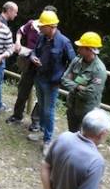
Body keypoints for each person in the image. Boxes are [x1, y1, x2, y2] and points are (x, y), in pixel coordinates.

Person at [27, 10, 75, 155]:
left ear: (51, 26)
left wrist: (63, 78)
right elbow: (34, 51)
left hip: (52, 82)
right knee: (41, 107)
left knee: (49, 111)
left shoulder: (64, 42)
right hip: (39, 77)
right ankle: (42, 131)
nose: (40, 28)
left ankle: (48, 140)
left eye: (42, 26)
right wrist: (33, 57)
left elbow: (73, 62)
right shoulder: (42, 37)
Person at [6, 6, 58, 128]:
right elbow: (20, 31)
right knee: (23, 90)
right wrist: (18, 41)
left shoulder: (53, 33)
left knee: (41, 95)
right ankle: (17, 115)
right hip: (29, 64)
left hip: (43, 68)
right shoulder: (32, 24)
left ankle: (36, 121)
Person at [61, 32, 107, 132]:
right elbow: (64, 79)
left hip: (87, 112)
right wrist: (78, 87)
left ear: (89, 50)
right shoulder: (76, 61)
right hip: (72, 106)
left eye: (81, 47)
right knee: (72, 134)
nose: (78, 49)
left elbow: (89, 94)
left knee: (84, 138)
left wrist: (72, 84)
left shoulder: (99, 70)